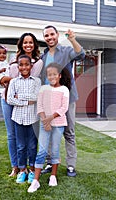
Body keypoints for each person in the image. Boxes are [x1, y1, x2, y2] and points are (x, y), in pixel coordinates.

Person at [40, 25, 85, 177]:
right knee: (48, 131)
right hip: (48, 99)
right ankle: (49, 162)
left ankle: (71, 165)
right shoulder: (43, 56)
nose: (50, 37)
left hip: (67, 98)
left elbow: (81, 54)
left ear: (57, 35)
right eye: (46, 35)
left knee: (69, 132)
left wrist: (72, 39)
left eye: (52, 34)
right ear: (44, 38)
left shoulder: (66, 51)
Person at [0, 32, 43, 177]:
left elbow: (31, 83)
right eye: (25, 42)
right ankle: (16, 166)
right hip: (7, 98)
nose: (28, 45)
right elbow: (6, 78)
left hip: (25, 103)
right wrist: (5, 79)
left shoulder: (38, 62)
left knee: (28, 140)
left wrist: (18, 94)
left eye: (31, 42)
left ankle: (27, 166)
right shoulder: (13, 59)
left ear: (34, 44)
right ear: (21, 44)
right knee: (12, 135)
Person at [28, 63, 71, 193]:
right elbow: (40, 106)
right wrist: (45, 121)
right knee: (41, 150)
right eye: (49, 74)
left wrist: (50, 119)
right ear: (47, 76)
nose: (51, 77)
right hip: (44, 123)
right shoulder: (43, 89)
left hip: (58, 124)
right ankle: (36, 181)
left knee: (55, 150)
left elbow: (64, 108)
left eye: (54, 74)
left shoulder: (64, 89)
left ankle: (53, 176)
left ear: (59, 75)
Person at [6, 54, 41, 184]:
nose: (24, 67)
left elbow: (36, 97)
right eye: (21, 65)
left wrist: (19, 96)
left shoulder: (37, 81)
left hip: (33, 119)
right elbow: (10, 99)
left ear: (31, 66)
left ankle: (32, 170)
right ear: (18, 67)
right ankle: (22, 170)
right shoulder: (14, 81)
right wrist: (27, 101)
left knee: (32, 146)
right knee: (20, 146)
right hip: (18, 118)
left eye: (27, 64)